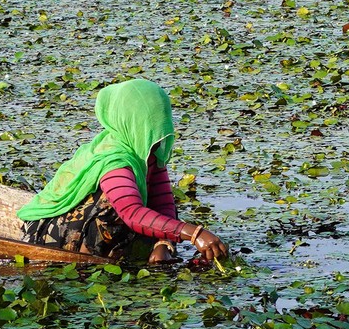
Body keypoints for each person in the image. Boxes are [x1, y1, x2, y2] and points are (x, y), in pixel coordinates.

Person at [18, 79, 229, 265]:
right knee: (113, 208)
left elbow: (162, 201)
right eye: (151, 127)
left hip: (94, 225)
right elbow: (131, 212)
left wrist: (163, 243)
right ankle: (90, 261)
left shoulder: (147, 149)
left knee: (155, 216)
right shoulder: (115, 159)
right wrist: (194, 233)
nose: (159, 135)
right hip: (49, 235)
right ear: (133, 122)